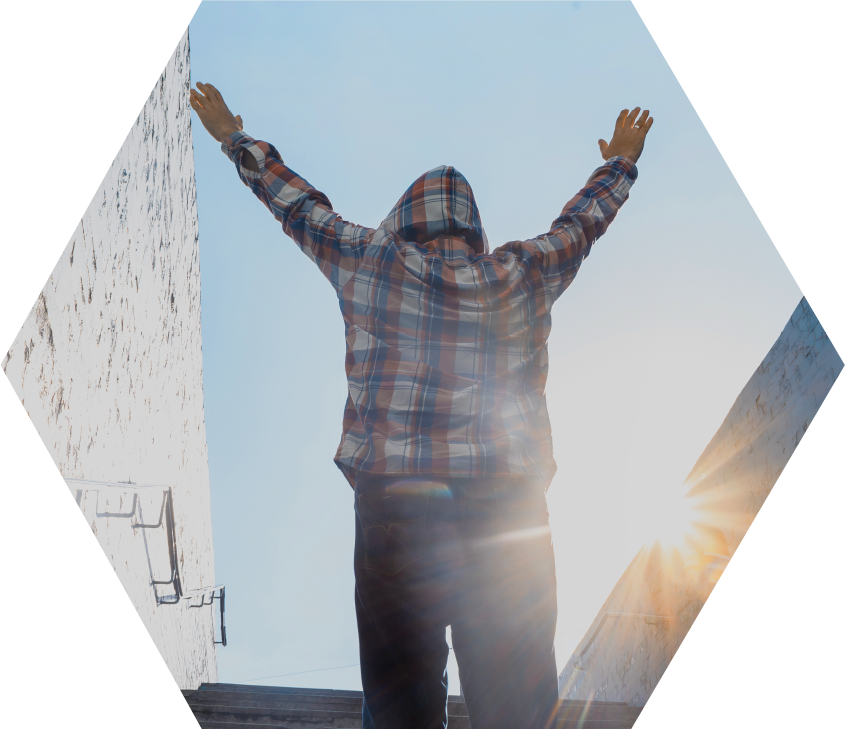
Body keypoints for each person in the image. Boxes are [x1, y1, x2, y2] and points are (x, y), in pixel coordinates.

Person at [190, 82, 653, 729]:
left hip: (395, 509)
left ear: (405, 218)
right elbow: (579, 227)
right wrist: (619, 162)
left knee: (400, 694)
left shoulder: (372, 262)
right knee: (515, 701)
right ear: (471, 229)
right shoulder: (519, 273)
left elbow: (298, 205)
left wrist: (233, 137)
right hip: (505, 513)